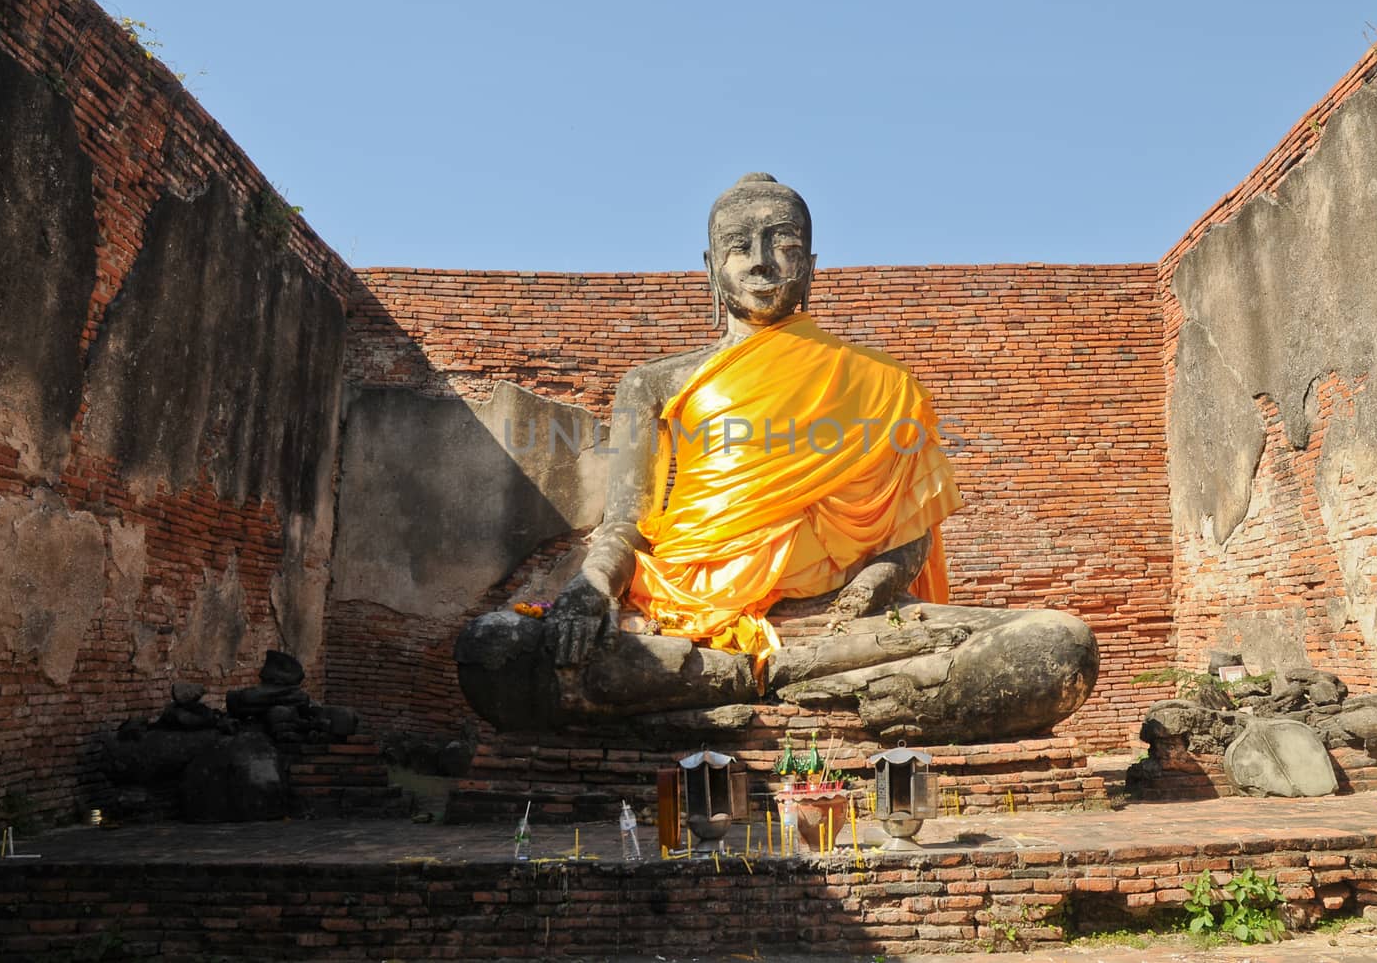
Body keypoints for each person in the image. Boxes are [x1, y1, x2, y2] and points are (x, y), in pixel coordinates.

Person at [456, 174, 1097, 743]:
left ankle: (739, 681)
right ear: (711, 267)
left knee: (1059, 647)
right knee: (495, 650)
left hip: (843, 623)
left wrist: (885, 575)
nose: (761, 263)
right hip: (685, 613)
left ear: (812, 263)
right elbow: (625, 523)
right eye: (739, 247)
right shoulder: (653, 384)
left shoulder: (884, 383)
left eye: (782, 243)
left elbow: (910, 528)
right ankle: (783, 683)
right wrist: (592, 588)